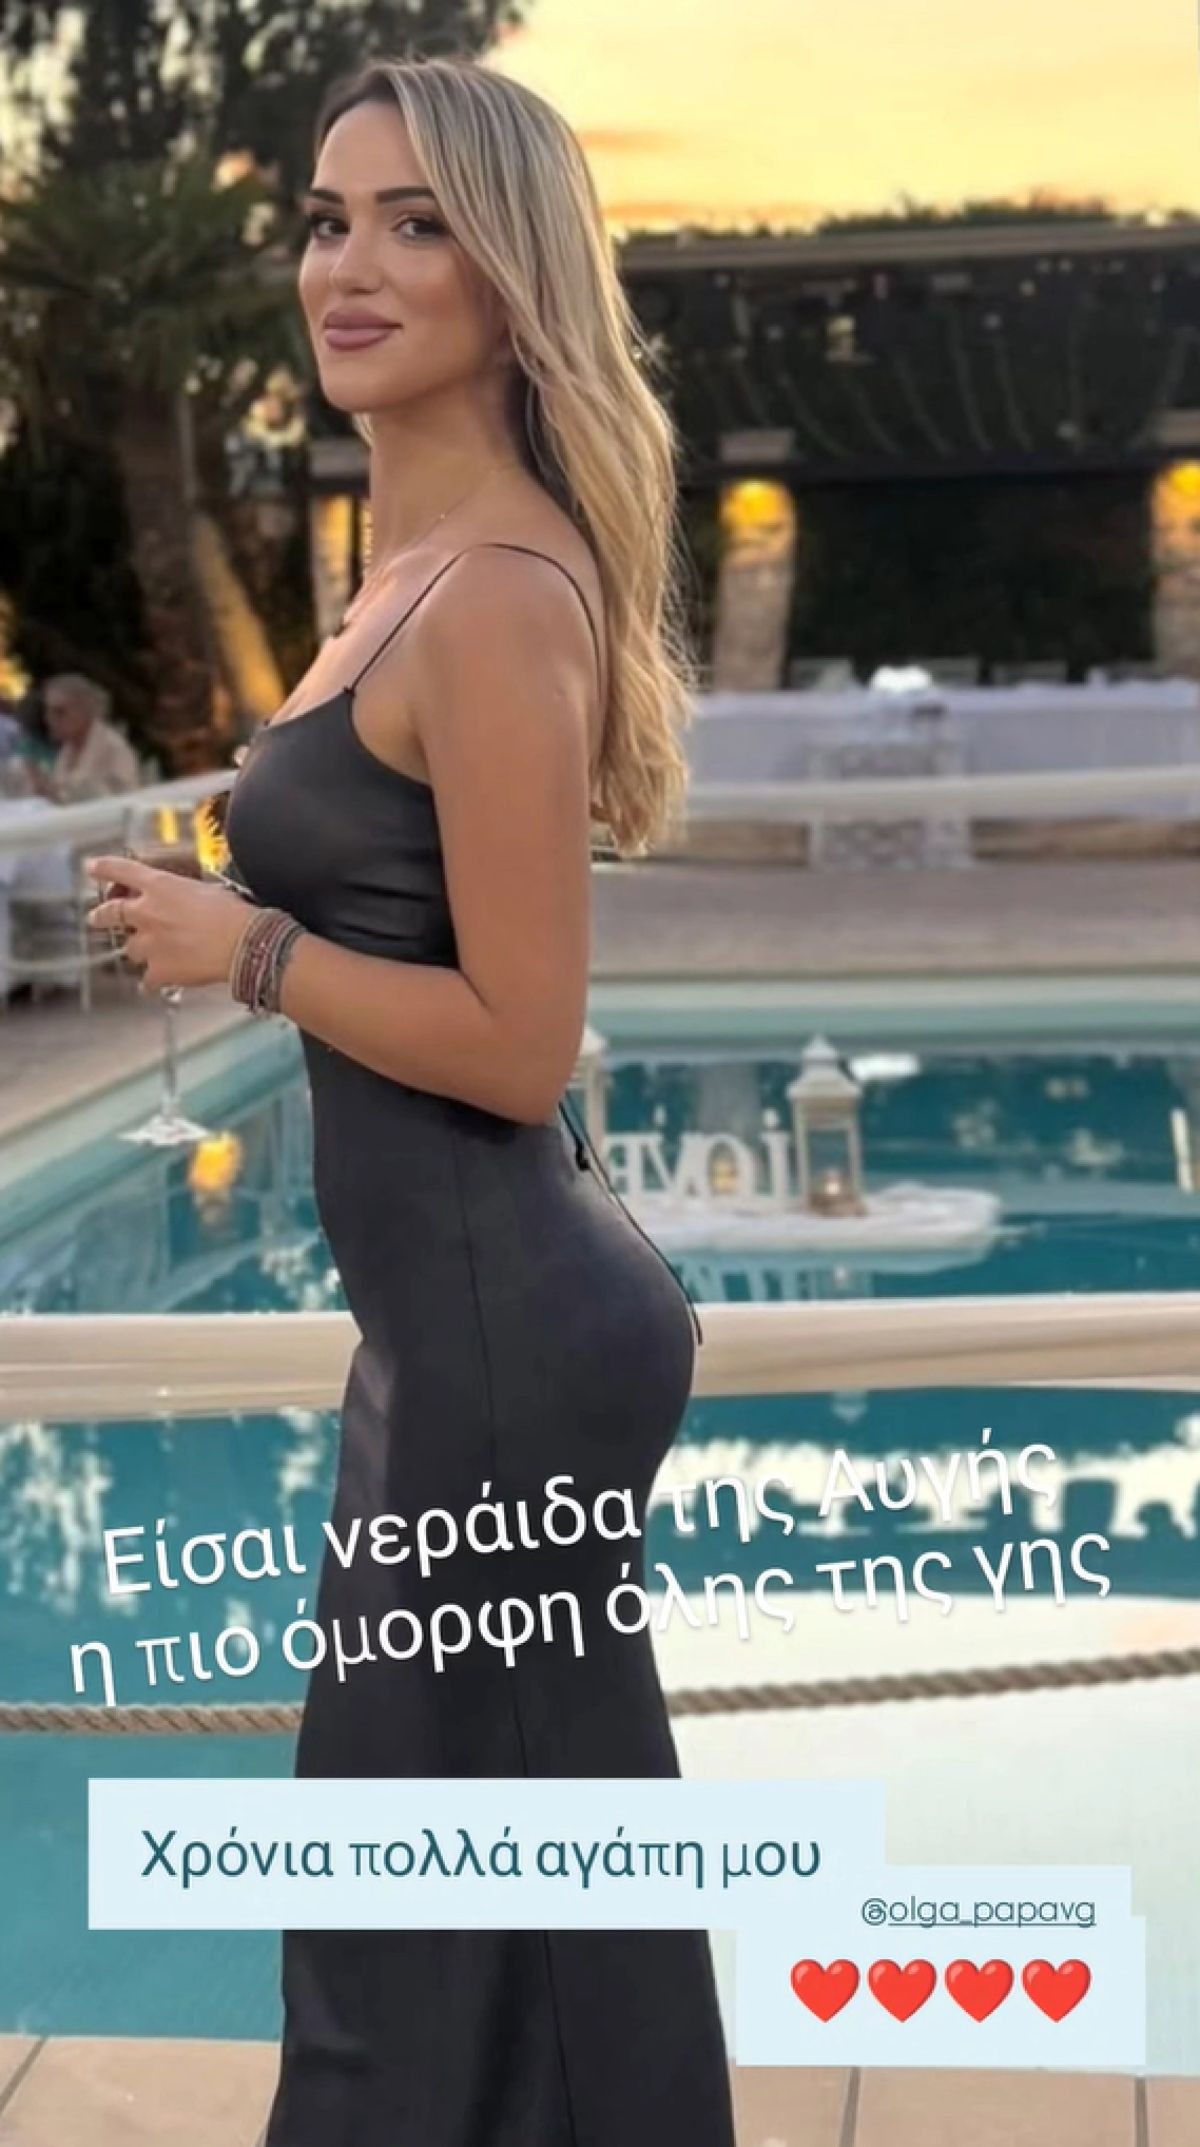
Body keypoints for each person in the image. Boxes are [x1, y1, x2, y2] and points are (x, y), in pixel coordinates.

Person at [84, 51, 736, 2147]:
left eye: (416, 222)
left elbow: (524, 1038)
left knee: (404, 1923)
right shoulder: (412, 572)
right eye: (325, 220)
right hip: (457, 1333)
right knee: (497, 1912)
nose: (346, 266)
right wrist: (238, 921)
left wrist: (246, 951)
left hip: (503, 1341)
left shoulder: (503, 595)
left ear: (512, 274)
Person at [34, 673, 141, 803]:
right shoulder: (68, 749)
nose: (50, 719)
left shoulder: (113, 749)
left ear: (85, 710)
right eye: (47, 712)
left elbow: (127, 801)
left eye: (60, 712)